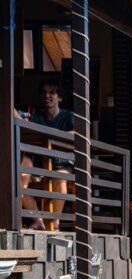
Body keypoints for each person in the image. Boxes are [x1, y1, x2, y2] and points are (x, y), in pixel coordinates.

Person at [14, 80, 75, 230]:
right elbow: (23, 125)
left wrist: (51, 135)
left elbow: (76, 134)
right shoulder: (37, 116)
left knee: (60, 180)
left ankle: (54, 223)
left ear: (60, 97)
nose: (47, 96)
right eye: (44, 93)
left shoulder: (68, 116)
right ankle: (38, 220)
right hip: (39, 162)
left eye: (52, 93)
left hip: (61, 161)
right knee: (18, 180)